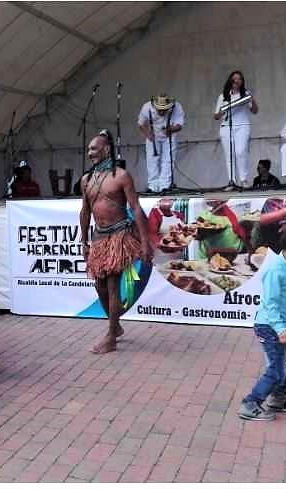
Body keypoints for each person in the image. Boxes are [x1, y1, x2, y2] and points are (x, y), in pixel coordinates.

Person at [80, 130, 152, 354]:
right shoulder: (86, 179)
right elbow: (85, 211)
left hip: (119, 236)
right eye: (89, 149)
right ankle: (116, 324)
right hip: (99, 238)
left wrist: (145, 241)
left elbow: (136, 208)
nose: (90, 153)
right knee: (100, 286)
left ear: (106, 149)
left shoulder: (121, 176)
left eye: (94, 149)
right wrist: (83, 241)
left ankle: (111, 336)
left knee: (112, 286)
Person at [238, 222, 286, 421]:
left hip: (284, 326)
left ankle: (278, 398)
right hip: (270, 327)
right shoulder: (275, 270)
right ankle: (250, 403)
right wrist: (281, 329)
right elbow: (270, 304)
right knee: (276, 371)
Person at [214, 71, 258, 190]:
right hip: (226, 127)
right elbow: (216, 116)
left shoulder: (246, 93)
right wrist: (222, 112)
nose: (237, 81)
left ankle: (243, 179)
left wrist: (252, 100)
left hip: (242, 126)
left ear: (242, 81)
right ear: (230, 81)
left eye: (239, 79)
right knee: (229, 155)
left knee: (241, 151)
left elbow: (254, 110)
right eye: (234, 79)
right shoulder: (223, 96)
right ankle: (232, 181)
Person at [138, 94, 185, 193]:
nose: (162, 112)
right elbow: (141, 123)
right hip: (153, 135)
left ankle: (165, 185)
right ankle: (153, 186)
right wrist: (148, 134)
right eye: (160, 110)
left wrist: (170, 129)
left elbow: (180, 125)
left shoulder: (177, 107)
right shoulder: (147, 108)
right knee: (152, 160)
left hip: (170, 135)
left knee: (168, 160)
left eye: (164, 110)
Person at [146, 198, 186, 264]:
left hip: (178, 253)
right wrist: (165, 245)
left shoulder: (178, 214)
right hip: (162, 253)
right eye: (164, 200)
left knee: (177, 270)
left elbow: (183, 232)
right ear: (159, 201)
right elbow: (152, 234)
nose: (168, 202)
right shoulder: (155, 213)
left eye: (171, 200)